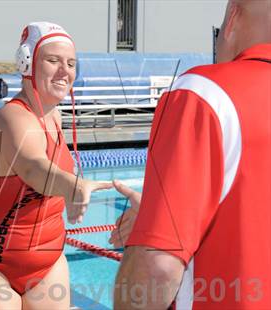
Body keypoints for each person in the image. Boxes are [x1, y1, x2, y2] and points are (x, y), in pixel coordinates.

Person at [113, 0, 270, 309]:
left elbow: (156, 270)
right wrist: (158, 213)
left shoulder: (207, 94)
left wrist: (152, 229)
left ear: (232, 19)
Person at [0, 21, 112, 309]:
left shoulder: (55, 118)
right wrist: (73, 186)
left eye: (71, 63)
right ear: (27, 63)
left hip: (47, 265)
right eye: (53, 60)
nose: (65, 71)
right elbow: (32, 167)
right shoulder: (12, 118)